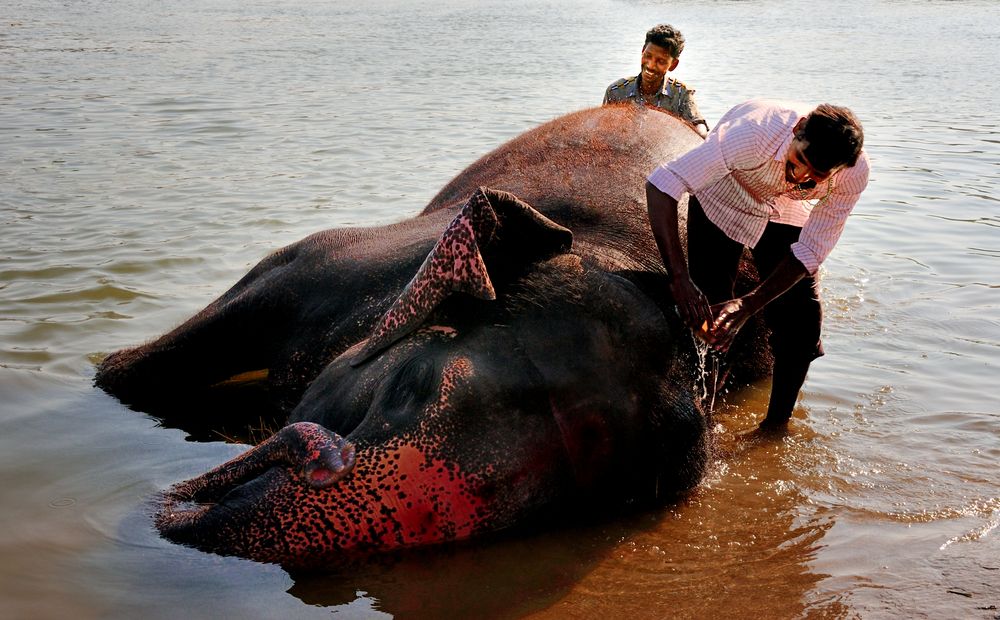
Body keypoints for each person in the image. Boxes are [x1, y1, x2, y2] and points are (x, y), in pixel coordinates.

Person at [645, 99, 869, 431]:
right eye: (801, 159)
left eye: (818, 174)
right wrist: (679, 277)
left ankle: (775, 427)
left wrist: (750, 304)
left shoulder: (852, 175)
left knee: (803, 324)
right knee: (708, 309)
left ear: (839, 170)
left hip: (786, 210)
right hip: (727, 190)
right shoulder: (749, 134)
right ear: (796, 131)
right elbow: (662, 184)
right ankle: (703, 416)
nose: (803, 174)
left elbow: (809, 250)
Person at [603, 24, 708, 136]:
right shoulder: (616, 92)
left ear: (673, 64)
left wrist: (699, 134)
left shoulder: (681, 94)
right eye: (648, 56)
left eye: (661, 61)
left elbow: (698, 124)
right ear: (642, 51)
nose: (651, 65)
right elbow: (601, 130)